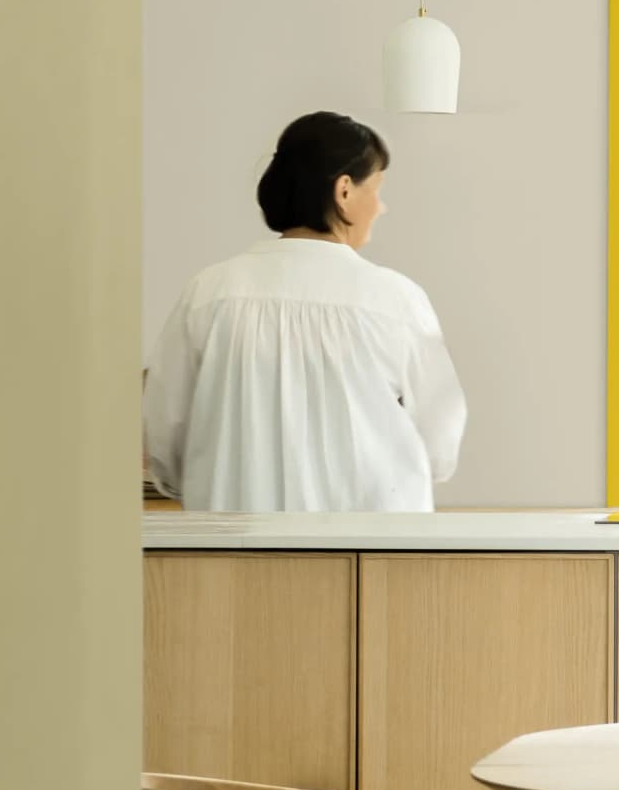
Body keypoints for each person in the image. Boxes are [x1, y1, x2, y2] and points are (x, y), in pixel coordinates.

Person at [143, 111, 467, 511]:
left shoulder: (210, 293)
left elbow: (165, 437)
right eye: (377, 189)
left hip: (228, 554)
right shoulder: (395, 300)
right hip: (373, 553)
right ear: (344, 190)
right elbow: (439, 445)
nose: (381, 207)